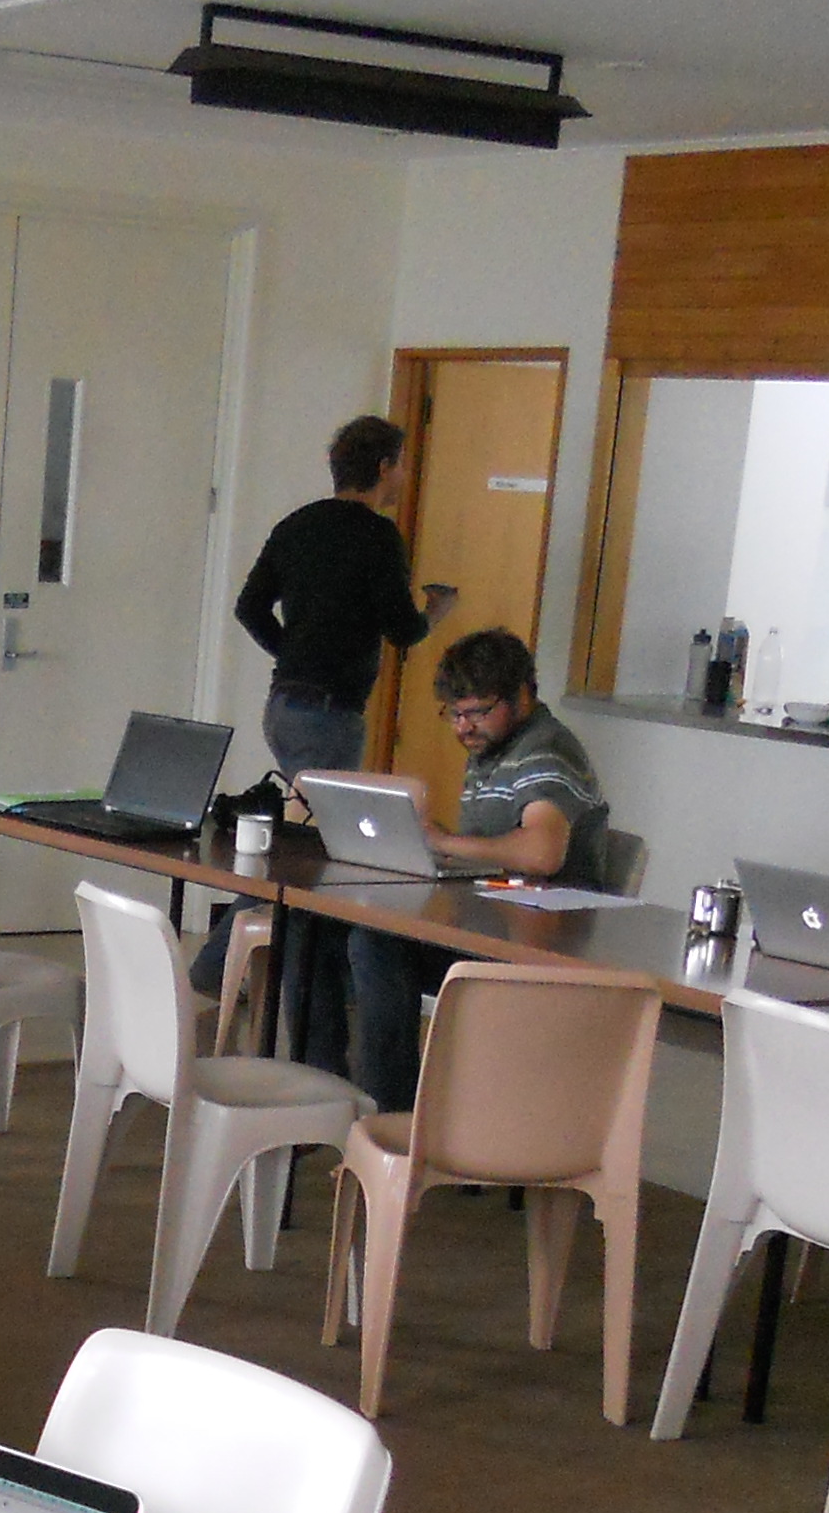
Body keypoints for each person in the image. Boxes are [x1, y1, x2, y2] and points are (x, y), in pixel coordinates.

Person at [317, 627, 614, 1114]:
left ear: (522, 695)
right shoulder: (492, 750)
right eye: (454, 714)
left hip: (536, 943)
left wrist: (444, 843)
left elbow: (543, 854)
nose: (463, 727)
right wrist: (427, 849)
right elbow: (489, 851)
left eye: (477, 712)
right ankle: (326, 1094)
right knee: (315, 930)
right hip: (488, 926)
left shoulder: (547, 750)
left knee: (374, 946)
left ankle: (393, 1119)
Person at [232, 414, 457, 779]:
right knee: (323, 811)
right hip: (329, 712)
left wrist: (294, 653)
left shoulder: (296, 524)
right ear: (383, 467)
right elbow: (403, 629)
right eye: (400, 464)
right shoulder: (378, 536)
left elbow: (249, 607)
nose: (404, 475)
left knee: (302, 804)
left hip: (281, 705)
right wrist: (436, 610)